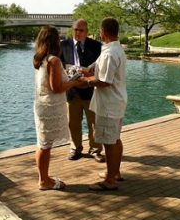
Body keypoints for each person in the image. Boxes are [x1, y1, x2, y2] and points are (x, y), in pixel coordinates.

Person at [79, 17, 127, 191]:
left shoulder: (109, 53)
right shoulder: (115, 49)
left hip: (108, 104)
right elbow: (101, 70)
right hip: (117, 101)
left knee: (109, 142)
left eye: (100, 30)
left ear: (103, 32)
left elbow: (104, 81)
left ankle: (109, 180)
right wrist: (88, 70)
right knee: (115, 138)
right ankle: (115, 172)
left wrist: (87, 81)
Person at [33, 26, 80, 191]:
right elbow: (56, 87)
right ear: (54, 41)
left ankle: (43, 178)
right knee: (45, 146)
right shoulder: (54, 60)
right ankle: (44, 181)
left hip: (41, 104)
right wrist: (74, 81)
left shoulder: (41, 58)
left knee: (42, 144)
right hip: (50, 107)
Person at [60, 19, 104, 161]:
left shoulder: (97, 46)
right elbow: (59, 67)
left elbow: (101, 68)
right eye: (75, 30)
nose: (78, 33)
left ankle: (95, 149)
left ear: (87, 31)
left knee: (94, 123)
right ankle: (75, 148)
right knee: (73, 123)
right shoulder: (63, 45)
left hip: (91, 90)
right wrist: (70, 72)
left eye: (81, 30)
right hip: (72, 92)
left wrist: (87, 77)